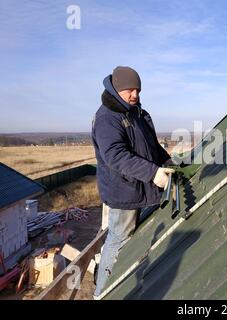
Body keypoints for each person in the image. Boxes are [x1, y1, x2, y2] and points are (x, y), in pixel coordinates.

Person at [91, 66, 174, 298]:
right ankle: (102, 292)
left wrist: (167, 161)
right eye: (130, 90)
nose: (135, 94)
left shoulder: (135, 112)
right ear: (117, 89)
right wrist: (152, 173)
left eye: (138, 89)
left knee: (127, 236)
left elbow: (151, 145)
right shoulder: (108, 117)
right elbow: (115, 155)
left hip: (138, 185)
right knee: (119, 238)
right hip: (123, 190)